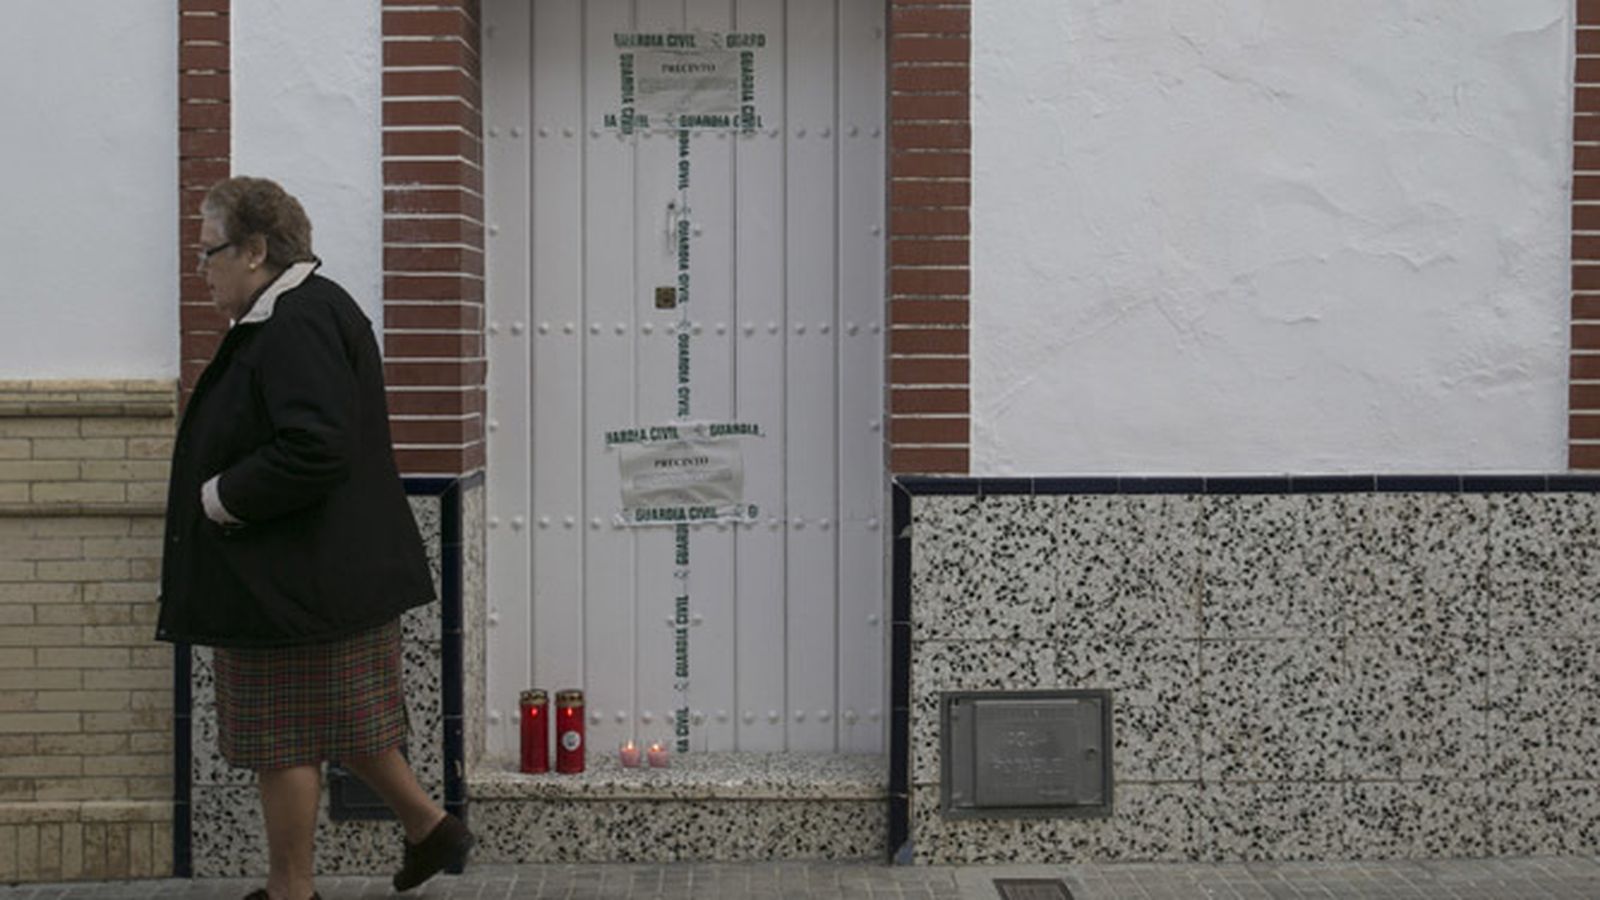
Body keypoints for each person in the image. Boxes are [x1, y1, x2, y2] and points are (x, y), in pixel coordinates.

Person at [156, 176, 475, 900]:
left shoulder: (295, 320)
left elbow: (314, 446)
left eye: (208, 253)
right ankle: (430, 827)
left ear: (256, 249)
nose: (200, 270)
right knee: (346, 721)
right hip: (314, 574)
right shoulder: (302, 311)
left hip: (293, 581)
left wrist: (222, 497)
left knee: (283, 741)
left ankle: (290, 889)